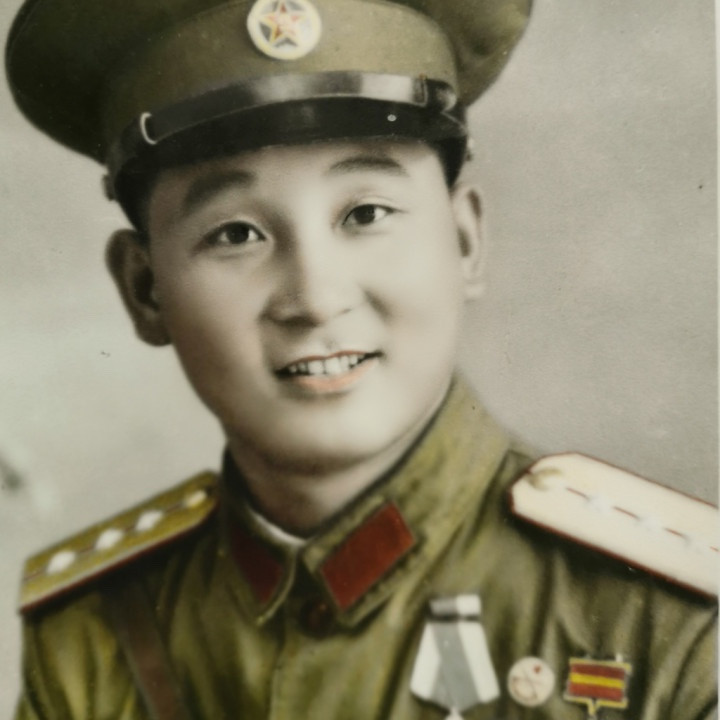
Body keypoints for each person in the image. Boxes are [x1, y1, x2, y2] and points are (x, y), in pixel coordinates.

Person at [6, 0, 716, 718]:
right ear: (144, 290)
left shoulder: (663, 621)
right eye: (236, 234)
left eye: (366, 214)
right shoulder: (92, 643)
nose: (316, 300)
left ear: (464, 241)